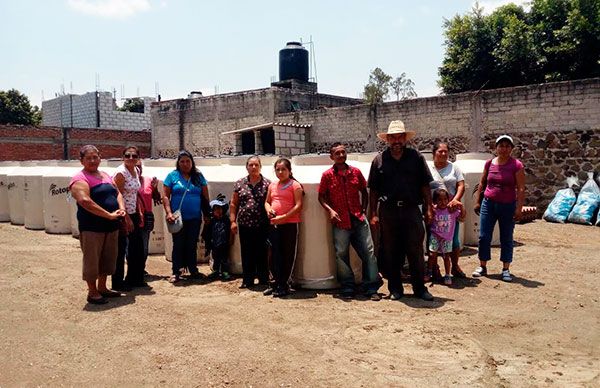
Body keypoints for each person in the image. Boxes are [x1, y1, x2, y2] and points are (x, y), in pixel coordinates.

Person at [368, 120, 434, 301]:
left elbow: (425, 185)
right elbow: (373, 190)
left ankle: (420, 289)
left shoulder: (416, 158)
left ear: (405, 138)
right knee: (391, 251)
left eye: (400, 137)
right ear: (387, 139)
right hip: (388, 212)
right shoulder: (379, 160)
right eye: (393, 138)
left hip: (411, 210)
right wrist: (373, 213)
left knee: (415, 251)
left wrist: (429, 208)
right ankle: (395, 289)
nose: (396, 141)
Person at [318, 142, 382, 301]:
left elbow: (364, 191)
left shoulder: (356, 172)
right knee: (341, 254)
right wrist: (330, 211)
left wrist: (363, 210)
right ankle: (347, 287)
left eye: (343, 152)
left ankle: (371, 287)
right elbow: (321, 196)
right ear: (331, 157)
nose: (340, 155)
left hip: (358, 218)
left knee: (369, 252)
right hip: (340, 221)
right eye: (337, 153)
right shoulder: (327, 175)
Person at [69, 145, 126, 304]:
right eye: (88, 158)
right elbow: (85, 201)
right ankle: (92, 292)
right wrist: (108, 215)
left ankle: (103, 287)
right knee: (92, 260)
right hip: (92, 228)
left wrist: (121, 209)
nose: (93, 160)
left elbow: (118, 193)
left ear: (100, 157)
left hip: (111, 226)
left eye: (95, 157)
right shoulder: (79, 179)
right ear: (81, 161)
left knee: (108, 258)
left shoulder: (105, 175)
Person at [473, 135, 525, 282]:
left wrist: (519, 208)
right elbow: (482, 184)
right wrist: (478, 201)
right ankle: (482, 266)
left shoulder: (516, 165)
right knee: (484, 236)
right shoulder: (489, 164)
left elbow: (521, 188)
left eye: (507, 146)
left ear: (511, 149)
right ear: (496, 148)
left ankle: (505, 269)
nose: (504, 149)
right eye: (501, 146)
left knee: (506, 237)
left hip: (507, 206)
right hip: (488, 204)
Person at [163, 150, 211, 283]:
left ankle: (193, 269)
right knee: (178, 244)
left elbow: (205, 197)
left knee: (191, 244)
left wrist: (206, 214)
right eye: (182, 161)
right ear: (178, 163)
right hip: (177, 218)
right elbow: (166, 196)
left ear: (192, 162)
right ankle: (176, 271)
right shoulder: (172, 176)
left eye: (188, 161)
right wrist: (168, 212)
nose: (185, 164)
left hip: (195, 217)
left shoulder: (198, 177)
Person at [264, 158, 304, 297]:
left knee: (287, 254)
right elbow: (267, 202)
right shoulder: (272, 185)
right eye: (278, 169)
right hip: (274, 225)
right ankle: (274, 282)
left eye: (283, 169)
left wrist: (284, 217)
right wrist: (268, 210)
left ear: (289, 171)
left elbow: (298, 206)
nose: (280, 172)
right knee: (273, 255)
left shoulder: (295, 185)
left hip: (289, 224)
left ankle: (284, 284)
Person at [230, 156, 271, 289]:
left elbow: (270, 202)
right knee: (247, 252)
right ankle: (248, 279)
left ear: (260, 167)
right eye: (251, 165)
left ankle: (263, 278)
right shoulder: (239, 183)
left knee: (262, 251)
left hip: (262, 224)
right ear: (246, 167)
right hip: (245, 224)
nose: (253, 167)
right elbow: (234, 204)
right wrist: (232, 221)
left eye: (256, 165)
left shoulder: (267, 184)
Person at [428, 142, 466, 278]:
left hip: (450, 210)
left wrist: (455, 200)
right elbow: (423, 187)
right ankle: (435, 269)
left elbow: (461, 185)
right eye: (440, 151)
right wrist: (428, 206)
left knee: (453, 240)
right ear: (434, 153)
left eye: (446, 151)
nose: (443, 154)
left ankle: (454, 267)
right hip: (433, 210)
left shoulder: (454, 168)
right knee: (432, 241)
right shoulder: (428, 168)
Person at [112, 146, 146, 290]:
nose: (131, 158)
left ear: (138, 157)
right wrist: (126, 218)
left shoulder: (136, 170)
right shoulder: (121, 173)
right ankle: (118, 283)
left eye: (134, 156)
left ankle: (134, 278)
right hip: (122, 215)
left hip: (134, 213)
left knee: (136, 248)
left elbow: (134, 194)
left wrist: (139, 211)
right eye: (127, 155)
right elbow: (117, 195)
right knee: (121, 249)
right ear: (123, 157)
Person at [427, 188, 465, 286]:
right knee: (432, 255)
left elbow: (462, 217)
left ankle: (447, 274)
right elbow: (428, 219)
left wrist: (461, 206)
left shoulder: (451, 211)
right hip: (435, 236)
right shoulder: (434, 210)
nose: (443, 202)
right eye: (439, 200)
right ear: (435, 201)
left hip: (447, 238)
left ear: (448, 200)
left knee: (446, 257)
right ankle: (429, 272)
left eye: (445, 199)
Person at [137, 160, 162, 278]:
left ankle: (141, 269)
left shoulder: (147, 180)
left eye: (139, 166)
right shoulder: (124, 180)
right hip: (132, 217)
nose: (137, 168)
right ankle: (134, 271)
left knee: (144, 246)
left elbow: (156, 198)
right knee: (130, 246)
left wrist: (155, 188)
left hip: (146, 217)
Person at [202, 194, 232, 281]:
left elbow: (230, 231)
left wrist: (230, 239)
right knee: (216, 258)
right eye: (216, 209)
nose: (218, 211)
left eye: (220, 209)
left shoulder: (226, 220)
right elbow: (207, 232)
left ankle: (225, 272)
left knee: (224, 259)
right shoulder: (211, 221)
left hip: (224, 243)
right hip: (214, 243)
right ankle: (215, 271)